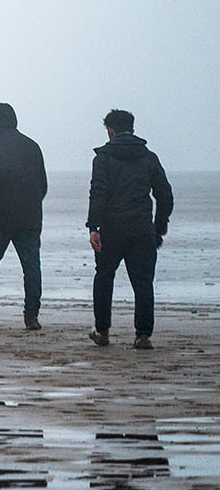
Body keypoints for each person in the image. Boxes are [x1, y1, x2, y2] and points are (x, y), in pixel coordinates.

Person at [88, 109, 174, 350]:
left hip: (110, 230)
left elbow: (98, 193)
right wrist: (159, 225)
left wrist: (93, 227)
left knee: (104, 278)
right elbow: (165, 194)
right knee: (143, 283)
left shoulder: (103, 158)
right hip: (141, 229)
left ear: (110, 131)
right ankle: (143, 335)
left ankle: (103, 331)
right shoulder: (148, 157)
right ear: (133, 130)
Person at [0, 103, 47, 330]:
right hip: (30, 217)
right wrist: (32, 205)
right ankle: (31, 316)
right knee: (31, 266)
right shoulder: (33, 146)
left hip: (1, 218)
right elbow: (42, 185)